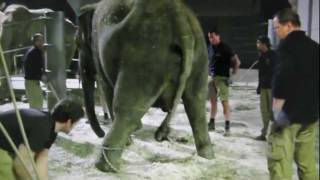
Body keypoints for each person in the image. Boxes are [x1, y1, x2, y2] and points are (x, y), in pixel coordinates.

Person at [268, 8, 319, 180]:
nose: (276, 32)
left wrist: (276, 112)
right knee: (307, 165)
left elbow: (282, 79)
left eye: (277, 28)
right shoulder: (315, 47)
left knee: (280, 163)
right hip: (310, 116)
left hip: (288, 117)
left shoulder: (286, 47)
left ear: (288, 25)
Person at [0, 97, 85, 180]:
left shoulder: (52, 128)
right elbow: (20, 165)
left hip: (8, 144)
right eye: (76, 123)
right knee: (10, 172)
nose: (75, 126)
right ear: (69, 122)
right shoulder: (42, 127)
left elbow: (42, 157)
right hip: (2, 145)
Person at [207, 28, 241, 136]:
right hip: (211, 78)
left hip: (222, 78)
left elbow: (237, 61)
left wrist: (233, 73)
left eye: (212, 37)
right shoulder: (210, 47)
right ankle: (211, 124)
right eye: (209, 37)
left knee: (224, 102)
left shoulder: (225, 48)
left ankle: (227, 127)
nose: (211, 39)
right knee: (213, 102)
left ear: (218, 36)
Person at [255, 36, 276, 141]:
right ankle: (264, 134)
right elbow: (260, 73)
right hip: (264, 87)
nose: (257, 44)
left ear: (264, 44)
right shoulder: (261, 56)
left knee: (273, 111)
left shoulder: (273, 55)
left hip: (272, 87)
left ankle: (275, 134)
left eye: (258, 43)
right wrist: (259, 86)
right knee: (264, 110)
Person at [23, 33, 46, 110]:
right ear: (35, 42)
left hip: (32, 81)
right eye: (40, 40)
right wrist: (43, 77)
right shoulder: (35, 53)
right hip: (32, 81)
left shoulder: (33, 51)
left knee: (37, 102)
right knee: (36, 104)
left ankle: (36, 119)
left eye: (43, 40)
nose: (42, 42)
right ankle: (35, 120)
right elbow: (35, 68)